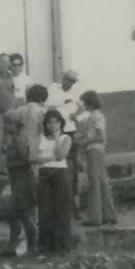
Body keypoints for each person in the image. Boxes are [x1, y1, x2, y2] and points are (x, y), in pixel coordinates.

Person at [2, 84, 48, 255]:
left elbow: (24, 160)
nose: (6, 129)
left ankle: (29, 246)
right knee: (18, 211)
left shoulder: (19, 138)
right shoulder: (37, 116)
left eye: (9, 126)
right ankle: (18, 246)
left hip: (22, 173)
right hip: (23, 172)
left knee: (23, 210)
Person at [35, 109, 74, 253]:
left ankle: (62, 246)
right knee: (45, 211)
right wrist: (48, 159)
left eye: (56, 122)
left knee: (62, 210)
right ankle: (46, 247)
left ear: (60, 123)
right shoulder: (40, 138)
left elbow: (60, 155)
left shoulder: (66, 138)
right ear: (45, 124)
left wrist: (57, 138)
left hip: (60, 173)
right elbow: (32, 158)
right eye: (49, 123)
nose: (53, 126)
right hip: (44, 173)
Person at [77, 90, 117, 227]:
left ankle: (95, 217)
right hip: (99, 150)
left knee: (94, 182)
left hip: (94, 149)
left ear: (89, 103)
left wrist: (84, 140)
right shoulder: (98, 115)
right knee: (102, 181)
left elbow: (99, 135)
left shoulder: (93, 117)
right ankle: (109, 214)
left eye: (84, 103)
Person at [47, 69, 83, 210]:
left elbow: (84, 108)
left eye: (73, 81)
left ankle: (73, 203)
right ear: (63, 78)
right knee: (55, 162)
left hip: (69, 130)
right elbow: (48, 105)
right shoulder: (53, 88)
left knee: (71, 166)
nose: (70, 84)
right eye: (68, 80)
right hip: (55, 129)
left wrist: (77, 117)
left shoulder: (76, 92)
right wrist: (63, 101)